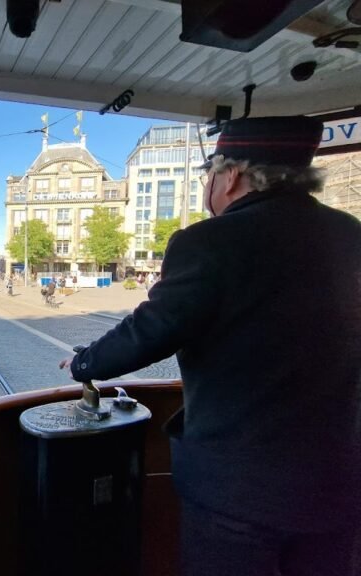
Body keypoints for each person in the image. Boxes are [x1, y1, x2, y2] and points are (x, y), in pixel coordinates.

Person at [59, 116, 361, 576]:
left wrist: (85, 363)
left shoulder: (210, 241)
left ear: (232, 175)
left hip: (241, 489)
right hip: (337, 483)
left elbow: (152, 328)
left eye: (209, 174)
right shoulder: (350, 234)